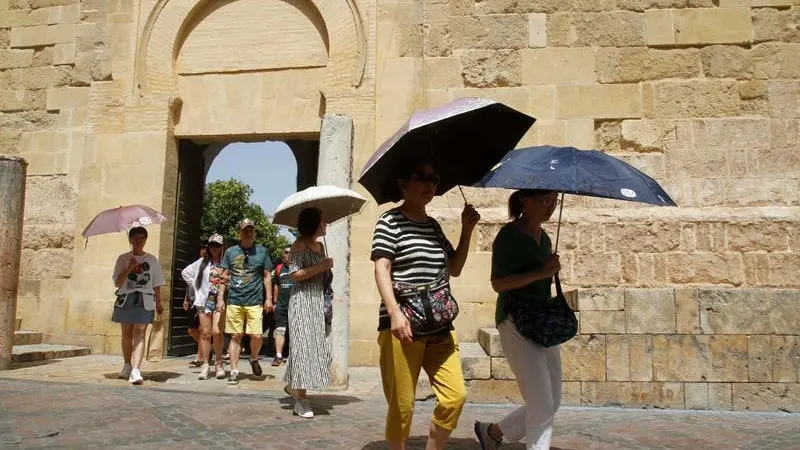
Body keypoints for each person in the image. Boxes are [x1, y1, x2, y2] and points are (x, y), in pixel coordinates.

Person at [371, 161, 480, 450]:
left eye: (434, 178)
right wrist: (394, 313)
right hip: (402, 327)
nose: (430, 184)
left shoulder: (433, 226)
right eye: (421, 177)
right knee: (402, 406)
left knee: (454, 396)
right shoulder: (389, 221)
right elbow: (381, 268)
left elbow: (454, 267)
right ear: (403, 183)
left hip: (439, 325)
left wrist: (466, 230)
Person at [473, 189, 562, 450]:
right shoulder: (508, 236)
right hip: (515, 322)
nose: (551, 207)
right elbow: (498, 283)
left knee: (552, 400)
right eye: (546, 201)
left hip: (543, 324)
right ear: (526, 201)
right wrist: (540, 272)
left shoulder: (544, 238)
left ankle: (492, 433)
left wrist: (551, 270)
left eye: (554, 202)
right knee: (541, 403)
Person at [282, 208, 333, 419]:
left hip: (318, 301)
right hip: (302, 300)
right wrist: (321, 267)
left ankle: (295, 386)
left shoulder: (321, 247)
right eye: (323, 220)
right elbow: (294, 275)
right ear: (315, 223)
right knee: (302, 347)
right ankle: (302, 400)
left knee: (312, 347)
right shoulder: (299, 245)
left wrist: (327, 269)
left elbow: (322, 276)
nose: (326, 223)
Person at [217, 218, 273, 385]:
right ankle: (234, 370)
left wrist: (269, 298)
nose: (248, 231)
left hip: (254, 300)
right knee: (235, 335)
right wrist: (220, 298)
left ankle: (254, 358)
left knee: (256, 335)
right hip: (235, 299)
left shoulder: (262, 251)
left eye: (251, 229)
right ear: (239, 232)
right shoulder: (231, 252)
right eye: (245, 229)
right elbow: (224, 276)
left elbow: (267, 276)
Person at [111, 226, 165, 385]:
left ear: (145, 240)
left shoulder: (152, 260)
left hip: (145, 299)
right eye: (135, 238)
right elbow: (117, 282)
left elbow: (157, 283)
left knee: (140, 333)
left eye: (142, 238)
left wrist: (159, 302)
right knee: (126, 333)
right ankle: (127, 364)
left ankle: (136, 370)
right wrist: (129, 268)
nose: (138, 241)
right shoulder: (123, 258)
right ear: (130, 240)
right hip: (126, 298)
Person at [181, 233, 228, 380]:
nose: (215, 248)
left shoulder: (225, 263)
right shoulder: (202, 262)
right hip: (204, 300)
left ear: (222, 247)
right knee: (205, 333)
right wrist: (196, 287)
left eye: (217, 246)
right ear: (209, 247)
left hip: (219, 299)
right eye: (212, 245)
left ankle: (219, 363)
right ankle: (206, 364)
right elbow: (185, 273)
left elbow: (230, 279)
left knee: (217, 331)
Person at [184, 241, 207, 368]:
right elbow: (188, 281)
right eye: (202, 248)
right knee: (192, 330)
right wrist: (186, 298)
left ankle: (200, 357)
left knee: (203, 330)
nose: (204, 250)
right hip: (192, 300)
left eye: (206, 248)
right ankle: (209, 347)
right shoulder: (196, 265)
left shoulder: (210, 264)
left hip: (204, 301)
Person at [271, 246, 293, 366]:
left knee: (294, 331)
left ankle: (294, 356)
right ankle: (278, 356)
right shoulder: (279, 268)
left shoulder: (298, 268)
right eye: (285, 253)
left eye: (290, 253)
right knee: (280, 330)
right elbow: (276, 285)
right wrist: (275, 302)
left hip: (295, 306)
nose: (288, 255)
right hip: (281, 306)